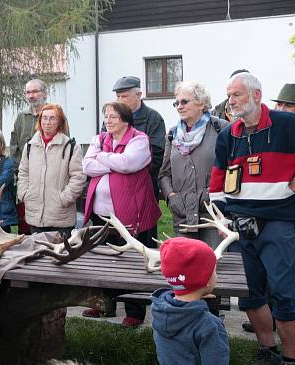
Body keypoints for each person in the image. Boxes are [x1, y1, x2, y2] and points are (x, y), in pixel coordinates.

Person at [209, 72, 295, 364]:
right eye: (229, 95)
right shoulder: (227, 135)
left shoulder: (287, 124)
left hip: (280, 222)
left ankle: (290, 357)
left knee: (285, 295)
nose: (230, 101)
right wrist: (223, 221)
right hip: (240, 227)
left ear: (256, 95)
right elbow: (217, 185)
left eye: (237, 95)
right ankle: (266, 351)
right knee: (250, 294)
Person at [81, 101, 161, 327]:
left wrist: (103, 159)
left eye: (113, 117)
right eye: (106, 116)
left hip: (131, 212)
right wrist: (112, 163)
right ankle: (105, 305)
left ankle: (134, 311)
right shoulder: (100, 139)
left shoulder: (139, 139)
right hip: (102, 213)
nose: (108, 120)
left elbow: (128, 164)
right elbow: (86, 166)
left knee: (133, 261)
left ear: (125, 119)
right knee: (105, 260)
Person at [159, 81, 228, 248]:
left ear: (201, 104)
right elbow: (164, 174)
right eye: (176, 103)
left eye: (184, 102)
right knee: (186, 267)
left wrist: (216, 194)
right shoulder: (173, 134)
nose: (179, 106)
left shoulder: (221, 128)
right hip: (182, 213)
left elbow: (232, 168)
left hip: (212, 214)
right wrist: (171, 196)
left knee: (213, 267)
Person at [151, 237, 229, 365]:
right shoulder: (210, 326)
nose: (217, 275)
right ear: (206, 280)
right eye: (214, 271)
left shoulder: (159, 311)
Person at [17, 104, 85, 236]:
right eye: (45, 118)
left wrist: (64, 198)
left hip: (60, 216)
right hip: (35, 215)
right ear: (40, 121)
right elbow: (23, 173)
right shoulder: (30, 145)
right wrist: (25, 194)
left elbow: (78, 177)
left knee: (60, 255)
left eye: (52, 118)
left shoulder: (70, 146)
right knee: (37, 254)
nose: (47, 122)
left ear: (60, 122)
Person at [110, 76, 166, 200]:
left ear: (138, 95)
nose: (119, 101)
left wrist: (131, 169)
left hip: (144, 186)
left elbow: (156, 155)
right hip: (114, 185)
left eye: (124, 97)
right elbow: (104, 148)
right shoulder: (111, 119)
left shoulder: (154, 118)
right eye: (118, 97)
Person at [11, 79, 47, 234]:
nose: (31, 95)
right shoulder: (21, 117)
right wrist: (18, 169)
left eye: (35, 91)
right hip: (26, 177)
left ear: (44, 93)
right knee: (25, 222)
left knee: (47, 221)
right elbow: (14, 146)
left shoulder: (54, 115)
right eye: (28, 92)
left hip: (48, 178)